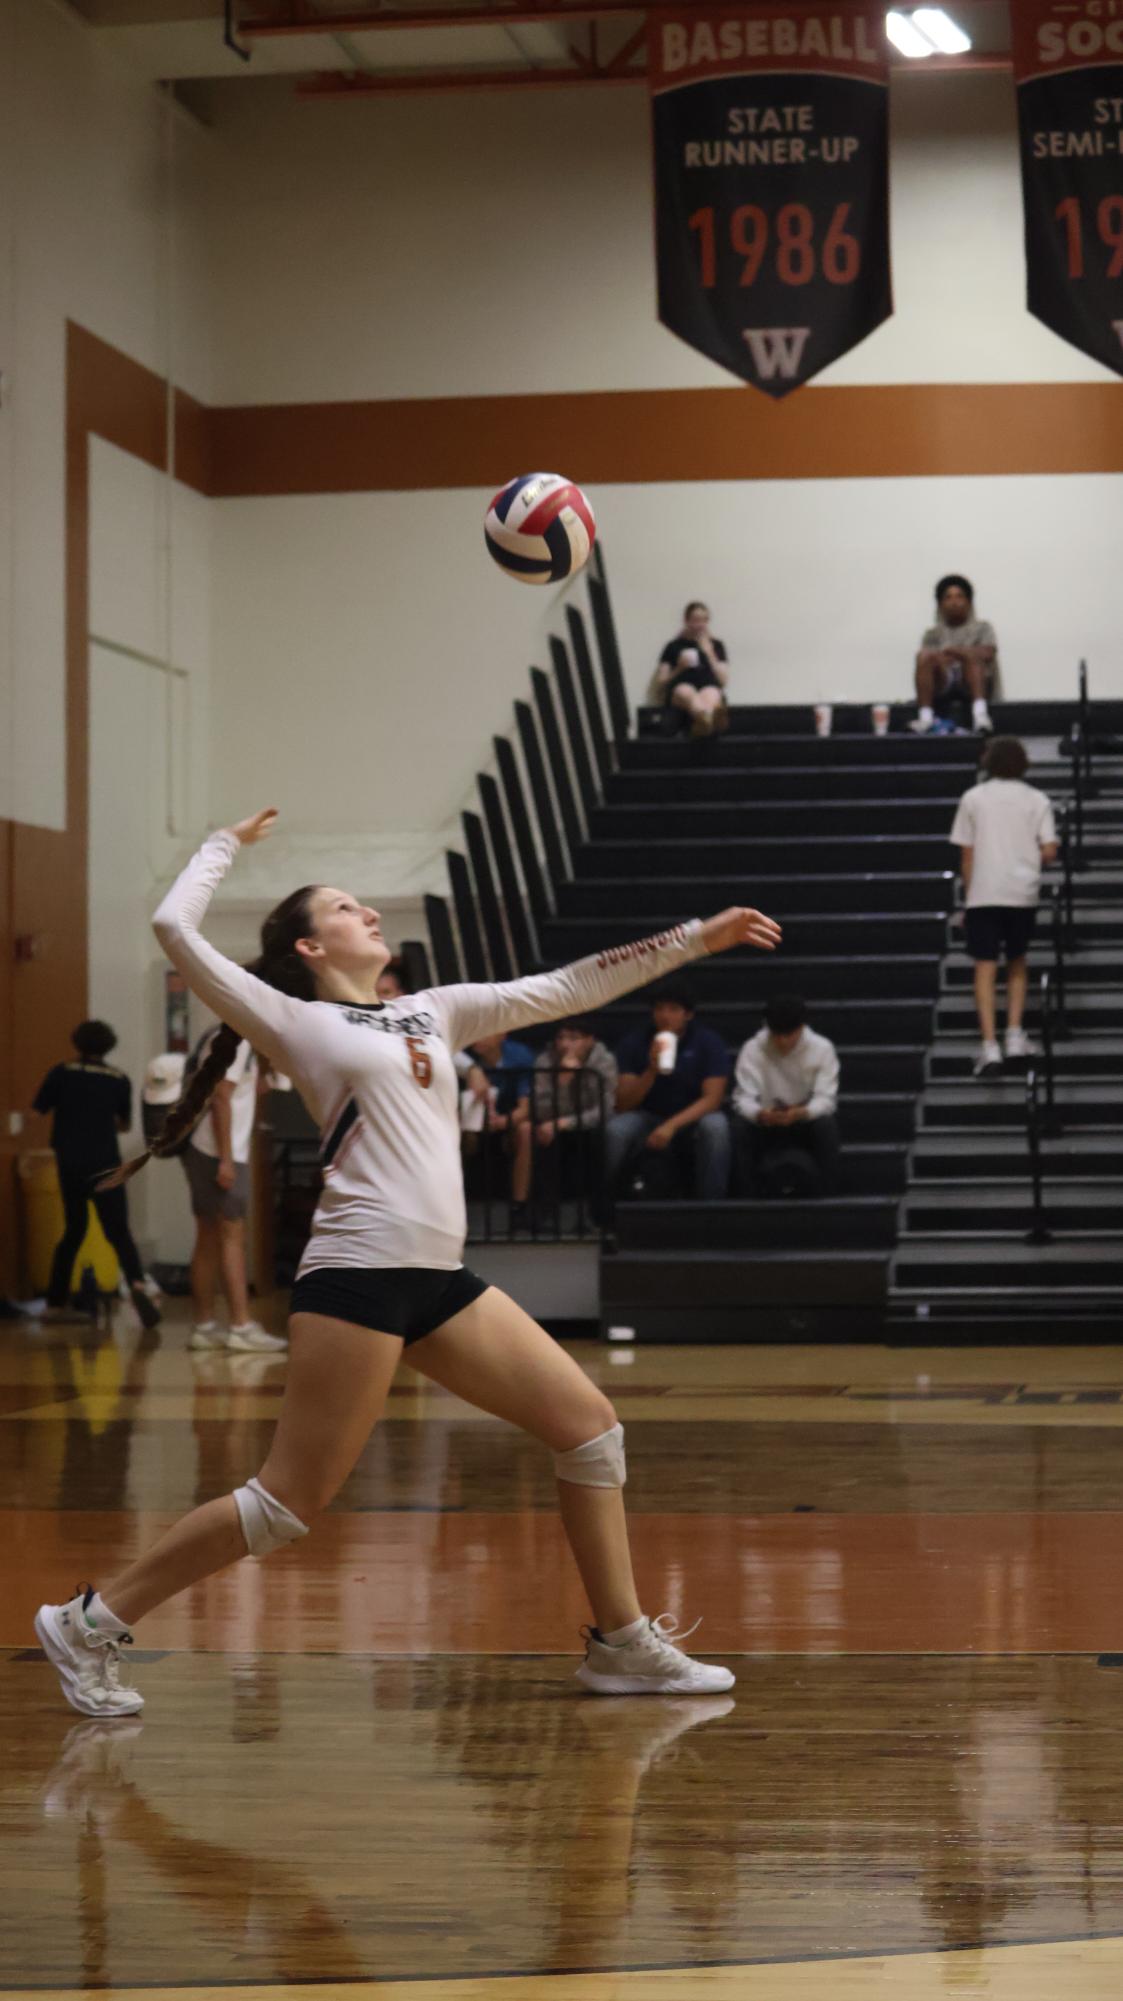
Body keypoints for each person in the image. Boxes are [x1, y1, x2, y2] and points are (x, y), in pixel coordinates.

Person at [33, 808, 781, 1717]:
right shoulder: (294, 1019)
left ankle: (622, 1643)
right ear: (310, 943)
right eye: (347, 907)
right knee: (285, 1502)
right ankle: (89, 1621)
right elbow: (171, 928)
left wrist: (693, 939)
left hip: (436, 1277)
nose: (369, 915)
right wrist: (224, 846)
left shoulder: (437, 1008)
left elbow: (568, 986)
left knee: (587, 1428)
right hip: (357, 1274)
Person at [32, 1022, 160, 1330]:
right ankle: (138, 1286)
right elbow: (124, 1125)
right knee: (118, 1231)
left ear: (76, 1042)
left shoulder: (61, 1073)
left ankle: (55, 1303)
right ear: (109, 1045)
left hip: (70, 1162)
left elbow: (37, 1111)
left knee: (74, 1230)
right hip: (106, 1163)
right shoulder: (118, 1079)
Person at [950, 736, 1058, 1077]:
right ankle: (1014, 1034)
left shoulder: (973, 798)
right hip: (1021, 891)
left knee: (984, 967)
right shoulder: (1036, 799)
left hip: (984, 891)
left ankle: (989, 1045)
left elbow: (966, 854)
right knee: (1017, 962)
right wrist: (1026, 856)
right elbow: (1050, 850)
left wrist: (969, 897)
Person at [182, 1026, 286, 1356]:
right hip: (217, 1153)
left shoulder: (232, 1038)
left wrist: (275, 1073)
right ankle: (240, 1326)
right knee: (231, 1236)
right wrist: (226, 1159)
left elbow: (243, 1089)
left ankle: (204, 1325)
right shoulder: (237, 1040)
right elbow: (221, 1097)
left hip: (207, 1150)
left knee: (210, 1238)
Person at [605, 979, 732, 1205]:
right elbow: (623, 1103)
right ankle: (611, 1207)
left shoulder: (708, 1042)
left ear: (688, 1015)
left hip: (692, 1116)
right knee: (616, 1130)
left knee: (716, 1126)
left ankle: (711, 1207)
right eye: (659, 1009)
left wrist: (671, 1126)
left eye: (673, 1009)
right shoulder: (634, 1043)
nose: (665, 1015)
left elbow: (712, 1099)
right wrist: (651, 1070)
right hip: (649, 1114)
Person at [731, 995, 841, 1197]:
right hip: (765, 1124)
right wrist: (759, 1114)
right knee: (739, 1127)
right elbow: (743, 1098)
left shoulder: (822, 1048)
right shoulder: (752, 1049)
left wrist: (802, 1112)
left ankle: (827, 1196)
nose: (782, 1041)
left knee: (826, 1126)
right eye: (777, 1034)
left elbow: (826, 1099)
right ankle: (747, 1198)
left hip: (804, 1124)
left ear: (801, 1027)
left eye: (789, 1034)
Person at [531, 1018, 618, 1223]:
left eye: (573, 1038)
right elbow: (541, 1111)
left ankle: (599, 1217)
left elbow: (605, 1110)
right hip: (552, 1125)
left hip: (588, 1125)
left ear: (590, 1040)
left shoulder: (604, 1061)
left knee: (605, 1137)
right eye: (561, 1038)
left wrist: (565, 1123)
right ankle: (545, 1215)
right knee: (541, 1136)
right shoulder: (545, 1061)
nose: (564, 1044)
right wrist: (562, 1081)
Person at [460, 1029, 537, 1228]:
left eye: (484, 1030)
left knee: (526, 1130)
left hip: (506, 1121)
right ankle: (454, 1206)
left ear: (502, 1034)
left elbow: (525, 1109)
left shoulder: (520, 1056)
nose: (476, 1035)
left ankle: (519, 1207)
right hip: (469, 1122)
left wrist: (502, 1122)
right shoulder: (463, 1058)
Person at [911, 575, 997, 737]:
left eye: (959, 596)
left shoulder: (982, 628)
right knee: (924, 656)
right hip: (944, 680)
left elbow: (988, 653)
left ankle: (980, 716)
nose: (954, 602)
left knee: (972, 658)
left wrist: (957, 652)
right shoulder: (932, 634)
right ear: (940, 604)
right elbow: (928, 660)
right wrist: (948, 656)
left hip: (971, 680)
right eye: (948, 597)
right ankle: (925, 718)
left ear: (969, 601)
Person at [655, 602, 730, 738]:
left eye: (704, 620)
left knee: (712, 692)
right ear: (686, 621)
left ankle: (704, 721)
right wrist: (679, 668)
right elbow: (661, 682)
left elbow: (723, 681)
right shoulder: (673, 646)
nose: (700, 624)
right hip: (680, 689)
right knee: (685, 690)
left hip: (709, 686)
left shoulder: (717, 645)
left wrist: (710, 653)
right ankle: (710, 718)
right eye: (696, 620)